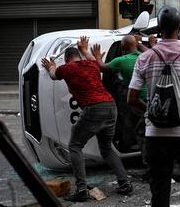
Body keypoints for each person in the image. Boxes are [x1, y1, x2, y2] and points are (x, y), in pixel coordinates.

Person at [127, 6, 180, 207]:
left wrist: (151, 109)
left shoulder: (144, 57)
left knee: (160, 186)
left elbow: (131, 98)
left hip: (155, 133)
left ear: (159, 28)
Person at [41, 37, 132, 202]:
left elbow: (53, 75)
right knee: (107, 149)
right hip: (111, 106)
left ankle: (82, 189)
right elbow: (94, 59)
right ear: (79, 56)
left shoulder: (67, 68)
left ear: (67, 58)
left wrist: (51, 66)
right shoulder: (92, 64)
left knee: (75, 146)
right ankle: (124, 183)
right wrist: (85, 49)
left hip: (93, 107)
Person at [90, 35, 147, 154]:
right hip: (150, 100)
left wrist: (97, 57)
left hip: (136, 101)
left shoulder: (121, 60)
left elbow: (102, 67)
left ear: (122, 47)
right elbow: (153, 52)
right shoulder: (145, 56)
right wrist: (140, 44)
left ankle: (132, 146)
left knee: (133, 126)